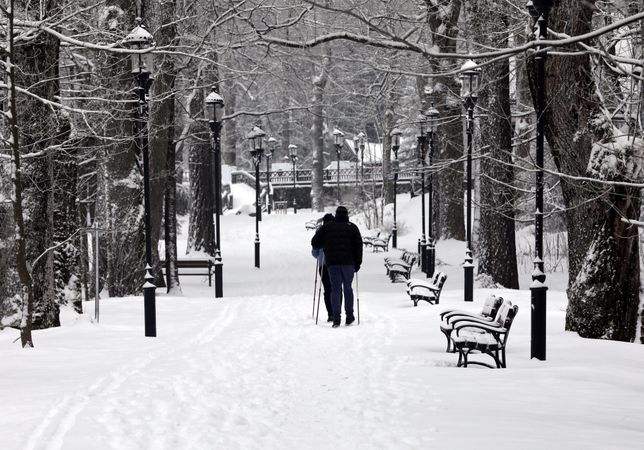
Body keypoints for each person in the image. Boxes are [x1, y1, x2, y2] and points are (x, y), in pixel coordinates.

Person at [311, 206, 363, 328]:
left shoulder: (327, 227)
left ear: (336, 214)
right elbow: (358, 245)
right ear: (346, 215)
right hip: (348, 263)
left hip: (332, 263)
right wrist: (358, 263)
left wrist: (325, 243)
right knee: (348, 288)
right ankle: (349, 316)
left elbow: (315, 242)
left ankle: (336, 318)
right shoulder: (352, 227)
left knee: (335, 289)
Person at [311, 213, 335, 322]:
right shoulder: (336, 231)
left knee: (327, 289)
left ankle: (330, 314)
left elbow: (314, 253)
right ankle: (336, 312)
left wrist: (320, 255)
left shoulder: (320, 232)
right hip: (335, 264)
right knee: (337, 289)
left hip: (323, 265)